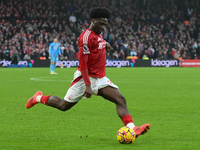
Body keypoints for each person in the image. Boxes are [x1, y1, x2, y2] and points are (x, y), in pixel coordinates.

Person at [26, 7, 150, 138]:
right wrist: (87, 85)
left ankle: (132, 128)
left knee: (120, 99)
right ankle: (38, 98)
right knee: (63, 106)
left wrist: (105, 43)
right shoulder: (85, 37)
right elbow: (83, 64)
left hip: (100, 78)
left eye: (105, 25)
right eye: (101, 24)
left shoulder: (98, 34)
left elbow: (97, 43)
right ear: (93, 20)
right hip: (85, 78)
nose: (103, 27)